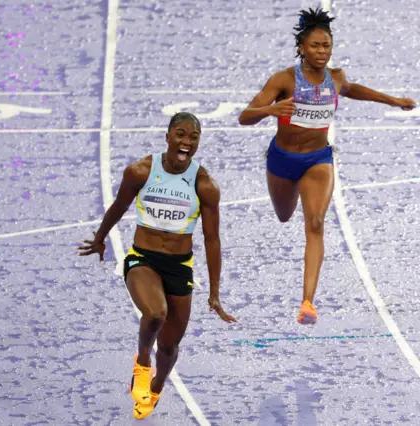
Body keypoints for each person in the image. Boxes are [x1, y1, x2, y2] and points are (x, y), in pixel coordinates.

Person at [237, 8, 416, 324]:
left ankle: (307, 302)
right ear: (302, 48)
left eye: (327, 46)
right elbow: (244, 117)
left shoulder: (336, 78)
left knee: (316, 222)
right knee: (283, 215)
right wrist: (271, 109)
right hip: (282, 160)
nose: (322, 52)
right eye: (316, 46)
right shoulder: (283, 80)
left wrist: (393, 100)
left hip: (318, 161)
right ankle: (306, 293)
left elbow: (352, 89)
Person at [78, 112, 236, 420]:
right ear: (167, 136)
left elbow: (212, 240)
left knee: (170, 346)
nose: (186, 142)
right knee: (154, 314)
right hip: (143, 260)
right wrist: (99, 238)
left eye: (193, 137)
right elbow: (118, 206)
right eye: (180, 134)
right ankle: (141, 363)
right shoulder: (140, 172)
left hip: (179, 267)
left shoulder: (205, 186)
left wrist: (214, 292)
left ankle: (157, 385)